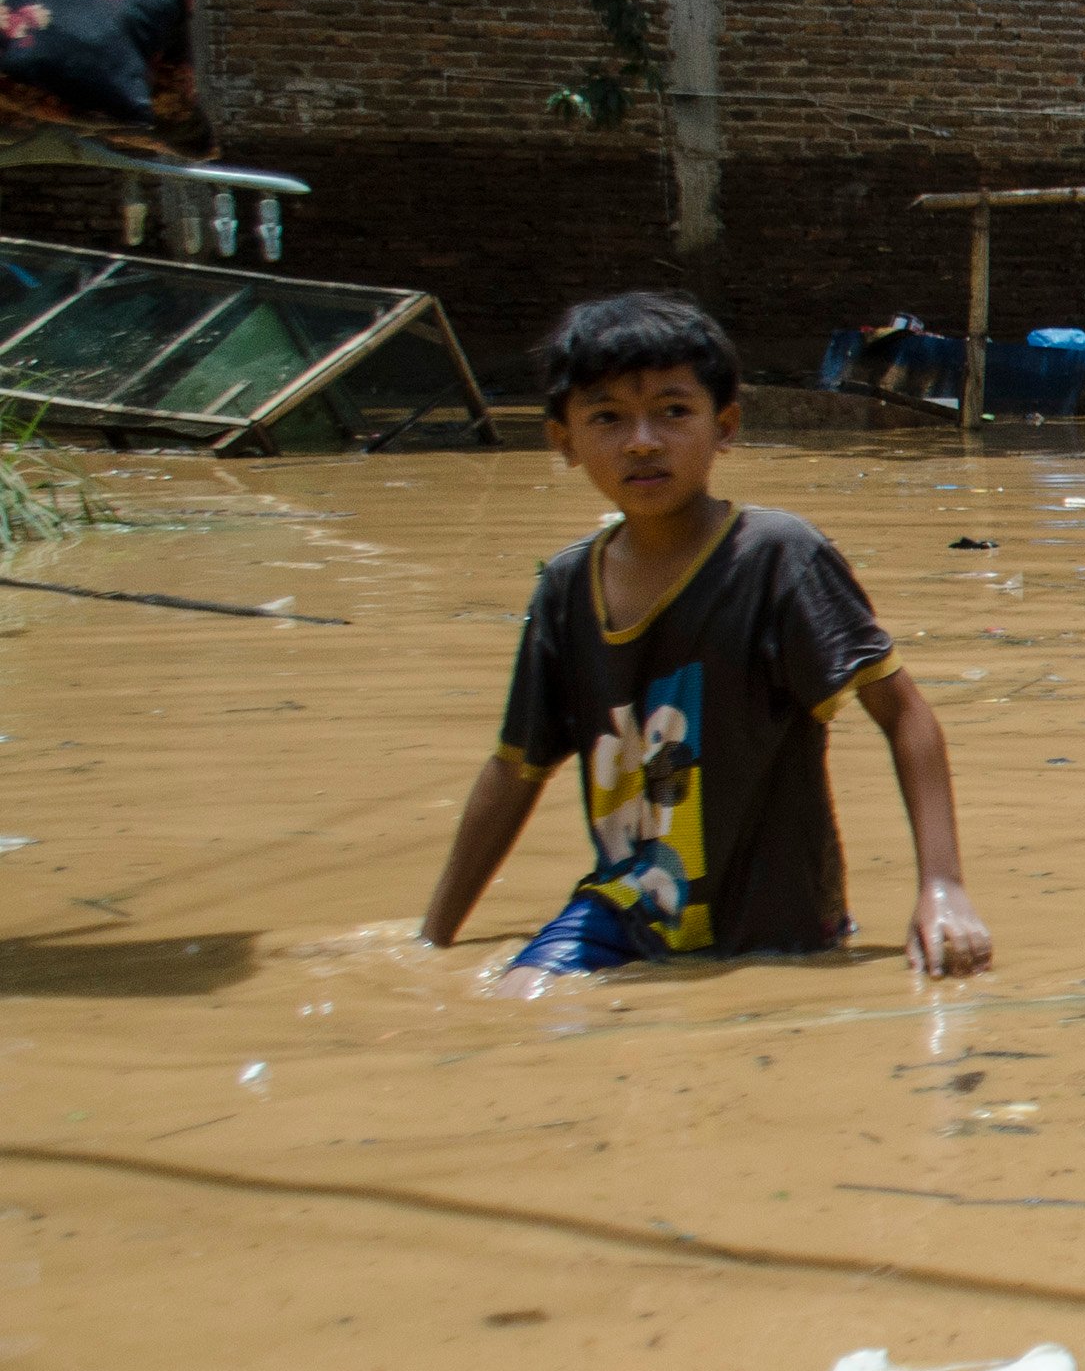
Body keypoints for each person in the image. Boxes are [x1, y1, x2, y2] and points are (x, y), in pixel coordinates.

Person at [419, 292, 993, 977]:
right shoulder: (566, 591)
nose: (641, 441)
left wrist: (942, 889)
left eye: (673, 411)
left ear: (724, 427)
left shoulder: (778, 560)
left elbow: (905, 714)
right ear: (563, 441)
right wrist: (431, 941)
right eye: (607, 417)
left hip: (776, 930)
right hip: (624, 910)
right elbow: (515, 768)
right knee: (519, 1002)